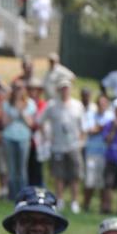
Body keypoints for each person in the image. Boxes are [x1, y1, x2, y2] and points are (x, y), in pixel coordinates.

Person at [39, 79, 84, 213]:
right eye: (62, 88)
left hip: (73, 146)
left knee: (75, 175)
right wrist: (47, 137)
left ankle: (75, 201)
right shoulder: (52, 105)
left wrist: (81, 142)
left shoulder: (77, 105)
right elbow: (41, 121)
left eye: (67, 88)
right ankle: (59, 200)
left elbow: (83, 127)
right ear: (58, 90)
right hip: (57, 146)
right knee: (58, 175)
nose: (65, 91)